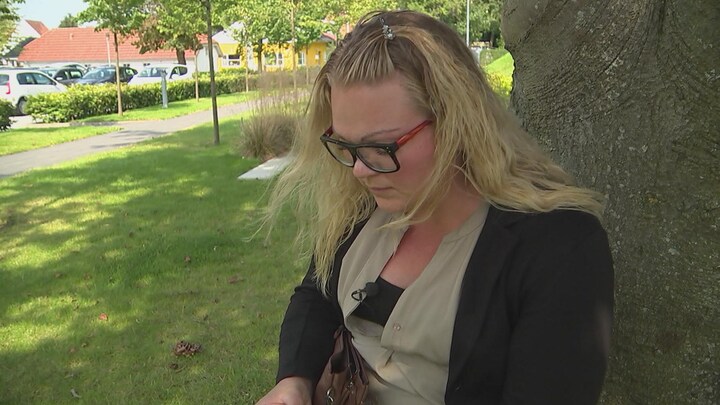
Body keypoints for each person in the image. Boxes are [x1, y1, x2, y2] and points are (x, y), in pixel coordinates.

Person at [257, 9, 614, 405]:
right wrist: (293, 382)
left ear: (455, 121)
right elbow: (317, 293)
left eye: (381, 147)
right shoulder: (366, 206)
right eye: (346, 145)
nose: (359, 170)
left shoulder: (558, 248)